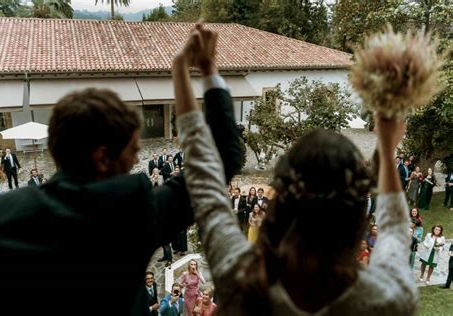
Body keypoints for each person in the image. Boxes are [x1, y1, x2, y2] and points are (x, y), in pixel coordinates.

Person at [0, 24, 242, 316]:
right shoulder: (130, 209)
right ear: (103, 158)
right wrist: (206, 68)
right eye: (133, 151)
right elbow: (222, 161)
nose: (134, 162)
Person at [173, 23, 417, 314]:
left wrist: (190, 69)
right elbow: (395, 230)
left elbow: (204, 180)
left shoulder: (241, 278)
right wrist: (387, 148)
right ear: (357, 215)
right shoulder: (387, 298)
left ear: (281, 200)